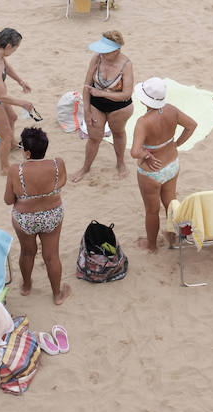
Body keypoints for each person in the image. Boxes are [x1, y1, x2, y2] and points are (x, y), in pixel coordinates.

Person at [4, 127, 71, 305]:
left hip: (25, 218)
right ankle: (57, 295)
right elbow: (62, 182)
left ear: (27, 152)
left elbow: (8, 200)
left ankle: (26, 287)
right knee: (52, 255)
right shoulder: (58, 164)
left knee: (27, 252)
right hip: (52, 215)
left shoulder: (15, 170)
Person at [130, 77, 197, 254]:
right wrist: (176, 144)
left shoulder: (143, 122)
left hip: (152, 172)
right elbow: (192, 125)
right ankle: (173, 236)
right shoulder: (171, 110)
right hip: (172, 164)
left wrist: (146, 154)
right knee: (170, 202)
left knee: (152, 210)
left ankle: (152, 245)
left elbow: (135, 152)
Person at [0, 28, 39, 176]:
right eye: (16, 48)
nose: (16, 50)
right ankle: (4, 168)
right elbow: (2, 97)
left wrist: (20, 81)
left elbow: (5, 65)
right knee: (4, 136)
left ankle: (11, 145)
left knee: (13, 117)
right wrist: (23, 103)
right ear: (9, 46)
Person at [72, 32, 133, 183]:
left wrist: (100, 93)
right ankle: (85, 167)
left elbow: (126, 94)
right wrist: (86, 111)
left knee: (118, 133)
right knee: (94, 138)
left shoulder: (126, 65)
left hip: (119, 107)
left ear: (117, 51)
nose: (102, 54)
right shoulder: (97, 58)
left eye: (106, 52)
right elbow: (86, 86)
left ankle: (121, 163)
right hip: (96, 104)